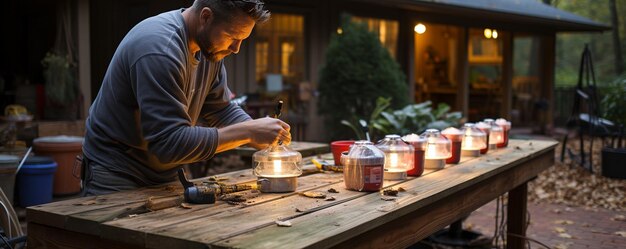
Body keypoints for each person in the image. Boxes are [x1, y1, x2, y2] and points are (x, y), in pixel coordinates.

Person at [82, 0, 290, 196]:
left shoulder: (210, 49)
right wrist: (249, 132)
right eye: (232, 36)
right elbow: (168, 143)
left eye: (242, 40)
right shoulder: (160, 49)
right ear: (206, 17)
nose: (236, 49)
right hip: (116, 172)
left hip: (164, 172)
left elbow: (220, 109)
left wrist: (262, 133)